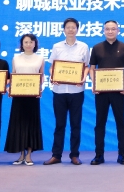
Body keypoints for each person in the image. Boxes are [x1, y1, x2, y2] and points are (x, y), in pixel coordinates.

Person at [43, 18, 90, 166]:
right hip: (59, 91)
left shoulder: (83, 47)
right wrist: (53, 75)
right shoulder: (57, 46)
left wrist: (83, 77)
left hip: (77, 91)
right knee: (59, 124)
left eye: (73, 27)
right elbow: (52, 66)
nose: (70, 29)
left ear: (77, 29)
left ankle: (74, 155)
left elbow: (87, 66)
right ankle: (56, 155)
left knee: (76, 124)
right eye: (68, 27)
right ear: (64, 29)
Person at [89, 20, 124, 165]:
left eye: (113, 29)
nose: (110, 31)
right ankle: (98, 155)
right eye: (107, 29)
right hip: (101, 92)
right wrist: (95, 83)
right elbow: (91, 68)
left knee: (121, 123)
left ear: (118, 30)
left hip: (118, 92)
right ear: (103, 30)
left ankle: (122, 155)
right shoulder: (97, 48)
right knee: (100, 123)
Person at [4, 33, 45, 165]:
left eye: (31, 42)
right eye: (26, 42)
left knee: (31, 124)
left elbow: (41, 77)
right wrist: (10, 89)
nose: (28, 44)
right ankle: (21, 154)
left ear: (35, 44)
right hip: (19, 96)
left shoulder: (40, 58)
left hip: (33, 96)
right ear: (21, 44)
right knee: (19, 124)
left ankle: (29, 155)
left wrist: (40, 89)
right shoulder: (16, 58)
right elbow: (13, 75)